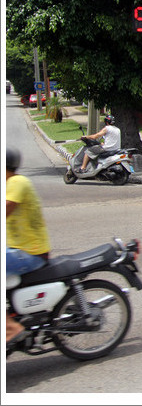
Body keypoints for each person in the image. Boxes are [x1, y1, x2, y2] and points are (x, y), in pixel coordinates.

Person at [6, 147, 51, 346]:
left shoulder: (17, 182)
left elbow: (6, 209)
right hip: (17, 250)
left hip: (30, 252)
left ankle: (12, 328)